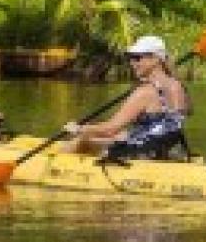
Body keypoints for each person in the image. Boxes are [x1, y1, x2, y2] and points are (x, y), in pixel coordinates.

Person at [60, 35, 191, 160]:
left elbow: (110, 129)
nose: (132, 63)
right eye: (130, 58)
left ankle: (55, 167)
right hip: (172, 148)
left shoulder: (145, 92)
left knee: (83, 141)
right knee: (120, 135)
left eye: (137, 58)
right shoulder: (178, 86)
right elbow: (164, 125)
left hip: (146, 153)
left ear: (156, 59)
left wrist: (79, 129)